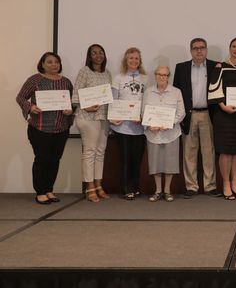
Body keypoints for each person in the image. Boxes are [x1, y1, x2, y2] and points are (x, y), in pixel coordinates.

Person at [16, 52, 73, 204]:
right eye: (49, 62)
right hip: (39, 128)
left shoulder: (66, 82)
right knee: (42, 160)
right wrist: (30, 107)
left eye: (56, 62)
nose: (54, 64)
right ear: (42, 64)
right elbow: (20, 97)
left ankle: (49, 189)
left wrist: (70, 109)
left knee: (55, 160)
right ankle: (40, 191)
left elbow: (71, 102)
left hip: (61, 128)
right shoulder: (35, 79)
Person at [173, 38, 221, 198]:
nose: (199, 51)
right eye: (195, 48)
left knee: (209, 152)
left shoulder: (216, 66)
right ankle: (191, 186)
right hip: (189, 115)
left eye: (202, 48)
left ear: (206, 50)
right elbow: (176, 94)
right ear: (191, 50)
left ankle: (210, 186)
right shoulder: (181, 68)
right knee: (189, 152)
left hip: (208, 114)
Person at [208, 37, 236, 200]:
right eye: (234, 46)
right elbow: (214, 90)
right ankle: (226, 183)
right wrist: (223, 106)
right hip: (224, 116)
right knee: (226, 152)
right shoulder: (220, 67)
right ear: (229, 48)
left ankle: (235, 183)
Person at [72, 44, 113, 202]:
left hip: (103, 117)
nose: (98, 55)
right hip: (87, 118)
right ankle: (89, 187)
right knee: (89, 152)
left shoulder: (108, 73)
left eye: (101, 52)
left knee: (100, 153)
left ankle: (98, 185)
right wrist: (86, 106)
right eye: (94, 53)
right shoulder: (84, 71)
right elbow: (75, 96)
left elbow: (108, 97)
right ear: (89, 56)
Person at [143, 66, 185, 202]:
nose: (162, 77)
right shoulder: (148, 92)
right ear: (155, 75)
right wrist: (150, 125)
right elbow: (143, 112)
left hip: (171, 134)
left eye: (165, 75)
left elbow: (181, 112)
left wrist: (170, 123)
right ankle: (158, 190)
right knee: (155, 163)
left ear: (169, 77)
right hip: (153, 134)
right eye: (159, 74)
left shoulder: (176, 92)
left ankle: (167, 190)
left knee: (169, 163)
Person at [110, 47, 147, 200]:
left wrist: (143, 117)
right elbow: (113, 99)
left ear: (140, 61)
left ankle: (135, 187)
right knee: (125, 160)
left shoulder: (145, 78)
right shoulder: (118, 78)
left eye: (136, 58)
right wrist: (113, 117)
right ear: (126, 60)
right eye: (131, 58)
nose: (134, 61)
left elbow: (147, 101)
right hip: (122, 126)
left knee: (136, 159)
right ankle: (126, 189)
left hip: (139, 126)